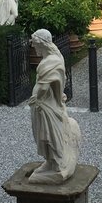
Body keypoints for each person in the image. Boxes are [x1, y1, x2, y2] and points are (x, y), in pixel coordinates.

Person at [27, 29, 81, 184]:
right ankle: (49, 162)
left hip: (46, 106)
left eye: (35, 44)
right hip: (45, 105)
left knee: (48, 134)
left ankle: (57, 165)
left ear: (42, 44)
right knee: (44, 134)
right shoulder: (54, 58)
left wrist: (36, 98)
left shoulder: (50, 62)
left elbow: (44, 86)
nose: (34, 47)